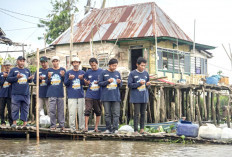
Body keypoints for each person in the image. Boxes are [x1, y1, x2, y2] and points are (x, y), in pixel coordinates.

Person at [7, 56, 33, 128]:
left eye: (23, 61)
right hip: (16, 93)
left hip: (25, 93)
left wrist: (30, 79)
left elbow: (29, 81)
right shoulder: (13, 70)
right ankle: (14, 123)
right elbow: (8, 79)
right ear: (17, 61)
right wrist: (16, 77)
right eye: (20, 61)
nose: (22, 62)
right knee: (15, 108)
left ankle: (25, 123)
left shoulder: (27, 70)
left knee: (25, 108)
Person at [99, 58, 122, 134]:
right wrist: (107, 81)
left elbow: (120, 85)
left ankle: (115, 129)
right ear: (109, 65)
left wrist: (119, 82)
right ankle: (108, 129)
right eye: (113, 66)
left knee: (116, 113)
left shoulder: (117, 73)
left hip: (116, 97)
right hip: (106, 97)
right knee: (107, 114)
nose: (114, 67)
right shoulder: (103, 73)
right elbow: (100, 83)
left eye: (115, 66)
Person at [128, 57, 150, 134]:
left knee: (143, 113)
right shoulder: (132, 73)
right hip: (136, 97)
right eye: (141, 65)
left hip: (144, 96)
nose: (143, 67)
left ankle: (142, 129)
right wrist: (138, 84)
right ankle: (135, 130)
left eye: (144, 66)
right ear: (137, 64)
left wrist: (147, 85)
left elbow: (148, 84)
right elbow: (129, 85)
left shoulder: (146, 73)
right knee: (136, 114)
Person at [64, 57, 85, 131]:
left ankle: (81, 128)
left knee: (81, 113)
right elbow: (66, 84)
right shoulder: (68, 72)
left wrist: (82, 79)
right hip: (71, 95)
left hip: (80, 95)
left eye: (77, 62)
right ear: (72, 64)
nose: (75, 64)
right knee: (72, 113)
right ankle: (72, 128)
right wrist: (69, 79)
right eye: (74, 62)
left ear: (79, 63)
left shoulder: (82, 72)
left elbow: (84, 84)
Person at [46, 56, 66, 130]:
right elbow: (46, 82)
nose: (55, 62)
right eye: (53, 61)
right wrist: (48, 77)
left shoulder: (62, 70)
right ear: (52, 62)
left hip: (60, 93)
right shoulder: (49, 70)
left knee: (61, 110)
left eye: (56, 61)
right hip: (52, 93)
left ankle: (61, 125)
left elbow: (65, 81)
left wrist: (63, 76)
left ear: (59, 61)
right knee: (52, 110)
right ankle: (53, 125)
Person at [84, 58, 103, 132]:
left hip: (98, 94)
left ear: (97, 64)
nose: (93, 67)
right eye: (91, 65)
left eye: (94, 65)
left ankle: (96, 127)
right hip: (89, 93)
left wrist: (99, 82)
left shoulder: (102, 71)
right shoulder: (88, 72)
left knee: (98, 111)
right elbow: (85, 81)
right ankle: (86, 127)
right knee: (87, 110)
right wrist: (86, 82)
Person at [0, 61, 13, 126]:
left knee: (10, 109)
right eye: (6, 65)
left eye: (9, 65)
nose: (7, 66)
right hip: (2, 94)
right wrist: (4, 77)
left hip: (10, 94)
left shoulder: (12, 74)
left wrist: (8, 77)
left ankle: (11, 122)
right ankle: (2, 122)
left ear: (10, 66)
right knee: (1, 109)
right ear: (4, 66)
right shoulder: (1, 74)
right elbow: (0, 83)